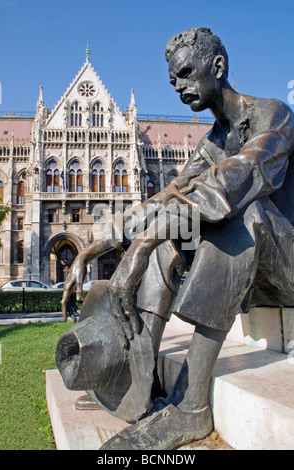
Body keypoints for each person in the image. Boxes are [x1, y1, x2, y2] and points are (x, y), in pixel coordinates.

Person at [61, 27, 294, 450]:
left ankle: (190, 408)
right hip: (257, 279)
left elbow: (236, 183)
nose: (179, 87)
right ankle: (134, 376)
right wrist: (95, 247)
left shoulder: (273, 115)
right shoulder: (210, 146)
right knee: (170, 235)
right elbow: (161, 201)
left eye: (187, 73)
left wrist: (143, 243)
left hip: (287, 264)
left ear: (218, 67)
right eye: (173, 81)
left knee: (243, 216)